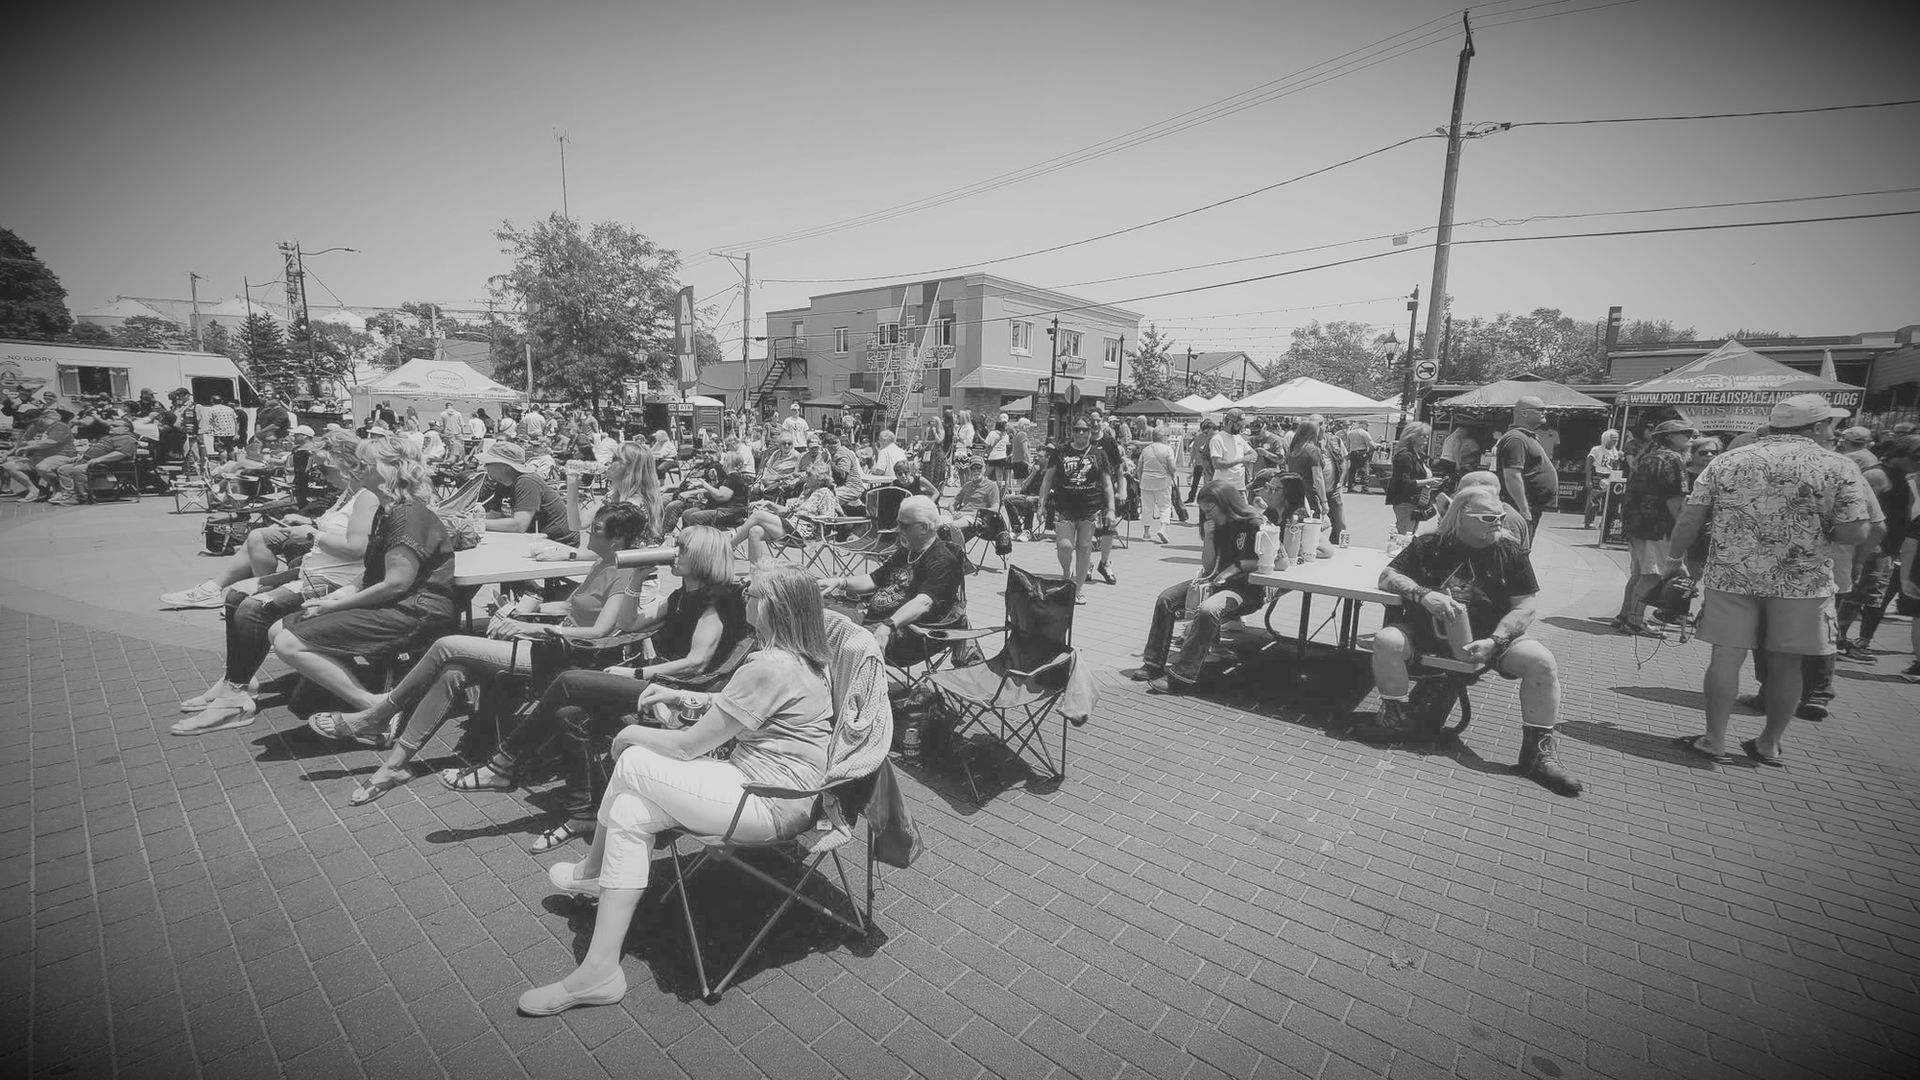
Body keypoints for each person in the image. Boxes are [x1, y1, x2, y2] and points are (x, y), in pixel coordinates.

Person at [514, 565, 838, 1016]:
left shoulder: (770, 665)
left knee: (633, 760)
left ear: (771, 606)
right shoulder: (799, 658)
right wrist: (685, 696)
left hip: (766, 801)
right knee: (629, 807)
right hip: (769, 792)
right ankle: (600, 970)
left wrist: (629, 737)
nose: (744, 597)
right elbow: (736, 708)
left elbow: (688, 747)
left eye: (753, 592)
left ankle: (593, 872)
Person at [310, 502, 660, 805]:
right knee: (453, 671)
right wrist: (518, 611)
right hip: (543, 646)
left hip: (563, 657)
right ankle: (395, 764)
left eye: (596, 530)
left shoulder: (622, 571)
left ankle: (377, 713)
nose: (588, 535)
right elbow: (570, 605)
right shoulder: (601, 563)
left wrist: (535, 627)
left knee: (448, 644)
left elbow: (600, 631)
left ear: (616, 538)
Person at [1666, 394, 1871, 767]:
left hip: (1732, 575)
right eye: (1832, 424)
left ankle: (1714, 739)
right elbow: (1855, 531)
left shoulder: (1728, 460)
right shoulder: (1838, 466)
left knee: (1725, 658)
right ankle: (1769, 743)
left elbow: (1689, 519)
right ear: (1819, 426)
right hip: (1802, 581)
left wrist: (1674, 559)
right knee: (1786, 665)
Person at [1352, 485, 1581, 796]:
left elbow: (1526, 606)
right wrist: (1424, 594)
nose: (1498, 523)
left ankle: (1537, 755)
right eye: (1488, 517)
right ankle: (1396, 721)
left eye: (1501, 516)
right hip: (1426, 635)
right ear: (1461, 515)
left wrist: (1496, 640)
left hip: (1490, 638)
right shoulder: (1430, 545)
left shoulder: (1511, 552)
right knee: (1387, 639)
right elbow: (1387, 576)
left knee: (1541, 662)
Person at [173, 432, 378, 733]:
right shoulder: (349, 492)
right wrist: (309, 527)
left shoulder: (367, 497)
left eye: (324, 468)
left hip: (332, 583)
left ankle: (235, 696)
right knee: (235, 597)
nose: (319, 474)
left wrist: (312, 534)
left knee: (253, 608)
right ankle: (236, 681)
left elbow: (358, 549)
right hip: (316, 573)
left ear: (346, 463)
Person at [267, 435, 460, 707]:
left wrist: (335, 606)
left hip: (414, 612)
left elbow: (396, 583)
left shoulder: (406, 514)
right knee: (278, 629)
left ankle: (374, 708)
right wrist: (343, 593)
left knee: (287, 642)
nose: (358, 467)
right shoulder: (388, 510)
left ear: (389, 469)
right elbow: (376, 571)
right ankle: (358, 687)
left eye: (366, 463)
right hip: (398, 605)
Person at [1132, 481, 1266, 694]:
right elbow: (1208, 566)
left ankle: (1182, 676)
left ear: (1226, 503)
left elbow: (1264, 561)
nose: (1207, 515)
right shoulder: (1215, 525)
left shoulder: (1252, 522)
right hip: (1215, 582)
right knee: (1166, 599)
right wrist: (1209, 538)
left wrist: (1232, 570)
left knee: (1208, 609)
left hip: (1245, 587)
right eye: (1203, 511)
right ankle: (1153, 663)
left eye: (1209, 510)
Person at [820, 496, 964, 667]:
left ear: (924, 527)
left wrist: (888, 626)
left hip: (906, 636)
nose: (898, 529)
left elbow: (923, 603)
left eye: (904, 525)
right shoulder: (907, 550)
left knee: (836, 639)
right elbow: (874, 579)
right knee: (814, 613)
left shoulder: (941, 560)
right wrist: (839, 581)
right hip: (871, 619)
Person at [1611, 419, 1693, 638]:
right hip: (1656, 526)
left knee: (1639, 574)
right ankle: (1635, 622)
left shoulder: (1648, 456)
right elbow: (1675, 499)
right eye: (1684, 434)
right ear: (1669, 437)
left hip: (1637, 523)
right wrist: (1682, 527)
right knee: (1652, 576)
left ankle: (1625, 616)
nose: (1689, 437)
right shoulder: (1672, 458)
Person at [1837, 435, 1915, 661]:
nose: (1916, 463)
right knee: (1855, 596)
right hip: (1872, 547)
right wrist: (1867, 550)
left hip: (1888, 548)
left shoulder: (1902, 477)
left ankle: (1847, 640)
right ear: (1899, 455)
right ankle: (1837, 641)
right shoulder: (1876, 475)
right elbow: (1862, 514)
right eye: (1913, 458)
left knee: (1871, 596)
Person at [1037, 419, 1113, 604]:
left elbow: (1107, 483)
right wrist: (1041, 504)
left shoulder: (1098, 454)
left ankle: (1078, 590)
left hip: (1090, 506)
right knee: (1064, 545)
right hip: (1064, 505)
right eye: (1077, 430)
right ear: (1072, 431)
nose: (1080, 433)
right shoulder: (1061, 451)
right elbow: (1047, 480)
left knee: (1084, 547)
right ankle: (1066, 573)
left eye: (1084, 430)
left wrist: (1111, 509)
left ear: (1090, 432)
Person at [478, 441, 579, 545]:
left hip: (560, 542)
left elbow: (519, 525)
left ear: (505, 466)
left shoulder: (526, 482)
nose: (485, 467)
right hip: (534, 538)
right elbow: (495, 515)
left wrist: (477, 523)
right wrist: (467, 518)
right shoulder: (502, 483)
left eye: (488, 463)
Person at [1495, 397, 1558, 536]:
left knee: (1522, 547)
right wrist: (1524, 509)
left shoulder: (1525, 436)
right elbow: (1512, 475)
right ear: (1524, 413)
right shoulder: (1516, 438)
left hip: (1530, 506)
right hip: (1520, 508)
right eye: (1540, 409)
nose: (1545, 412)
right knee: (1517, 548)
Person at [46, 416, 139, 505]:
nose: (111, 427)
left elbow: (121, 453)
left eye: (115, 426)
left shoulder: (127, 438)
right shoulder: (109, 437)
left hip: (107, 465)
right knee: (64, 469)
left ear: (126, 429)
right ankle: (68, 496)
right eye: (111, 425)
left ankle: (82, 498)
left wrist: (99, 459)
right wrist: (82, 457)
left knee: (78, 470)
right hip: (90, 462)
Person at [1, 406, 74, 502]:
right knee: (8, 465)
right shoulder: (34, 426)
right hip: (39, 457)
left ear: (43, 417)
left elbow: (51, 442)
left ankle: (58, 488)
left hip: (61, 455)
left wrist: (29, 446)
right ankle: (34, 490)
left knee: (42, 467)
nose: (33, 424)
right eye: (30, 422)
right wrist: (8, 453)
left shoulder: (59, 426)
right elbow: (22, 441)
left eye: (35, 421)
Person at [948, 452, 1011, 554]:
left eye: (979, 467)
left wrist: (971, 514)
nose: (976, 470)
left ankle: (960, 557)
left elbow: (995, 508)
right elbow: (952, 503)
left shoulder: (991, 486)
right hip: (960, 516)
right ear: (969, 470)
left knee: (953, 526)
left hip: (977, 519)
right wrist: (953, 512)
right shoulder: (967, 485)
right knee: (936, 524)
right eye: (973, 468)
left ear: (984, 469)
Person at [1385, 423, 1441, 536]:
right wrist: (1427, 482)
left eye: (1427, 435)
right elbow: (1402, 482)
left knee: (1409, 534)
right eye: (1422, 435)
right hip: (1405, 501)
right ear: (1411, 436)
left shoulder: (1419, 455)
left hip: (1417, 500)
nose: (1426, 438)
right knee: (1405, 535)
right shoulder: (1404, 456)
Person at [1136, 428, 1179, 544]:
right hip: (1162, 481)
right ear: (1163, 437)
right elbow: (1172, 467)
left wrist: (1141, 480)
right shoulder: (1168, 450)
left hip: (1146, 482)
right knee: (1165, 506)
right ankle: (1163, 529)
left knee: (1147, 508)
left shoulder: (1146, 450)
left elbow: (1139, 468)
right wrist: (1172, 474)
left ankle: (1146, 533)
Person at [1208, 410, 1254, 493]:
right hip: (1223, 488)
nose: (1241, 428)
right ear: (1229, 423)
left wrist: (1249, 458)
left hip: (1240, 487)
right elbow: (1217, 464)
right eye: (1239, 425)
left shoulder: (1238, 437)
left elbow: (1253, 453)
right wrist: (1241, 460)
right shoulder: (1217, 439)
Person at [1583, 429, 1621, 528]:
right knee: (1593, 501)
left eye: (1616, 440)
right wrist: (1588, 479)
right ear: (1606, 438)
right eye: (1613, 439)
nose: (1615, 442)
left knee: (1609, 502)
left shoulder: (1615, 452)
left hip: (1610, 477)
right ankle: (1589, 522)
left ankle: (1604, 523)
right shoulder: (1596, 449)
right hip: (1597, 475)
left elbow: (1615, 467)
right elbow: (1588, 464)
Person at [1342, 424, 1375, 493]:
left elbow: (1348, 445)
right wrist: (1375, 446)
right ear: (1363, 425)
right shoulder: (1364, 433)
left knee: (1352, 470)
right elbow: (1370, 444)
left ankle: (1350, 487)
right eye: (1367, 426)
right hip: (1362, 452)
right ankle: (1365, 488)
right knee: (1365, 470)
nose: (1367, 427)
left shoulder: (1351, 433)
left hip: (1353, 452)